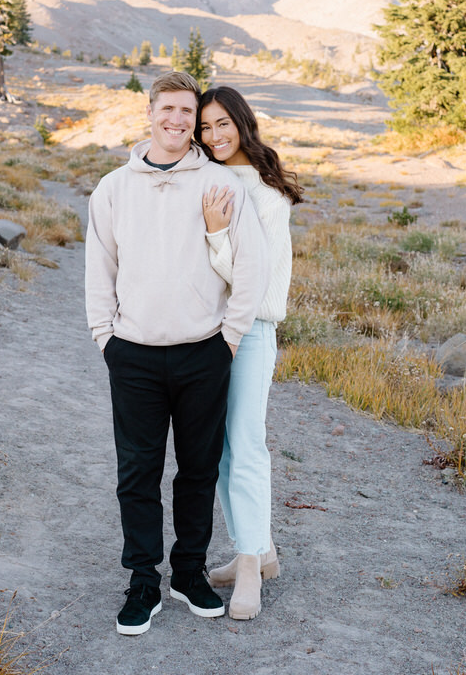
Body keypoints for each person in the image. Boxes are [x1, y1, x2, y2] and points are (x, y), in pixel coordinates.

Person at [84, 70, 268, 636]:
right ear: (150, 113)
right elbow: (100, 268)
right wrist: (105, 338)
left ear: (194, 120)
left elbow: (250, 266)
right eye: (168, 109)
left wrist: (230, 338)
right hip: (133, 354)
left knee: (197, 471)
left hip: (202, 353)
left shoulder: (222, 185)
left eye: (187, 112)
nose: (178, 120)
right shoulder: (113, 188)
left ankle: (188, 571)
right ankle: (142, 579)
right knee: (136, 473)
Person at [197, 85, 303, 621]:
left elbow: (253, 281)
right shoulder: (207, 177)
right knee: (215, 449)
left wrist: (216, 234)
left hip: (253, 330)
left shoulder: (264, 191)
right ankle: (258, 552)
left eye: (222, 125)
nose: (214, 136)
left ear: (242, 122)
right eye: (205, 127)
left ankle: (247, 572)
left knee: (246, 446)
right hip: (205, 334)